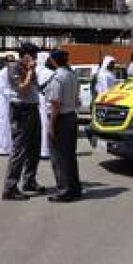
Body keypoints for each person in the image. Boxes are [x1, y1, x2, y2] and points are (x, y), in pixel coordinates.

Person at [2, 42, 44, 201]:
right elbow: (22, 88)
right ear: (25, 55)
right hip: (21, 111)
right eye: (33, 55)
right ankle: (10, 188)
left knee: (35, 148)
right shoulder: (14, 68)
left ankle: (29, 181)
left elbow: (36, 87)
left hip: (33, 109)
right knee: (19, 150)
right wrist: (31, 70)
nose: (35, 58)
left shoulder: (29, 68)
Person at [45, 49, 82, 203]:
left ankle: (65, 191)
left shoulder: (57, 77)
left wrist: (51, 126)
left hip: (61, 119)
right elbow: (77, 99)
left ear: (53, 60)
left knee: (59, 157)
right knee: (70, 156)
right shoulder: (72, 75)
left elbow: (55, 105)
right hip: (71, 116)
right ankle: (74, 188)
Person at [0, 53, 15, 156]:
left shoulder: (12, 72)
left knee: (9, 126)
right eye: (9, 61)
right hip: (3, 103)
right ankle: (1, 148)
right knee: (3, 125)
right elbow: (5, 90)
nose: (11, 63)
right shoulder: (1, 74)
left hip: (10, 102)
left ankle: (8, 147)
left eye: (13, 61)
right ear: (5, 62)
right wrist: (16, 94)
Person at [36, 52, 54, 160]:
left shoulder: (35, 70)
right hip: (45, 101)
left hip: (37, 101)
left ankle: (40, 150)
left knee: (39, 126)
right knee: (46, 126)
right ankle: (45, 151)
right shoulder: (48, 72)